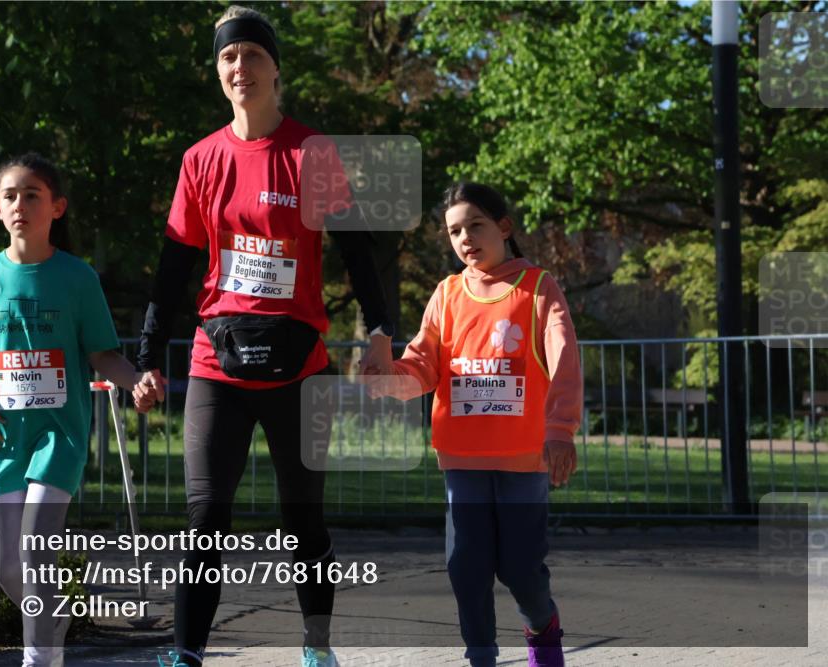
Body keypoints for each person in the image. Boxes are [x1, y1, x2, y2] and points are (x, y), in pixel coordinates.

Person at [132, 6, 395, 667]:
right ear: (217, 72)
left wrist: (382, 330)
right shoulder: (201, 160)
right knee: (204, 514)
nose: (239, 67)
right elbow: (173, 268)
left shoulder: (314, 153)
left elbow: (359, 249)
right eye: (228, 58)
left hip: (299, 365)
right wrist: (147, 356)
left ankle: (316, 647)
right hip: (215, 363)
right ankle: (185, 653)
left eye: (251, 55)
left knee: (303, 516)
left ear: (276, 68)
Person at [0, 152, 152, 667]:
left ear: (57, 207)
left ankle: (40, 659)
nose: (20, 204)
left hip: (61, 434)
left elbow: (103, 354)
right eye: (10, 196)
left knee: (35, 543)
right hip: (1, 438)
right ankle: (51, 618)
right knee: (6, 565)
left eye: (32, 195)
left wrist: (136, 382)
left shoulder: (77, 278)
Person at [363, 182, 581, 667]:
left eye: (475, 225)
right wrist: (386, 379)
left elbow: (565, 360)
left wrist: (560, 430)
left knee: (522, 570)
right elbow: (421, 366)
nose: (465, 238)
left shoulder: (540, 287)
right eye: (455, 231)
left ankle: (542, 630)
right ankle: (480, 656)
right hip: (462, 461)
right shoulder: (446, 294)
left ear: (504, 227)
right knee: (466, 567)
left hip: (525, 460)